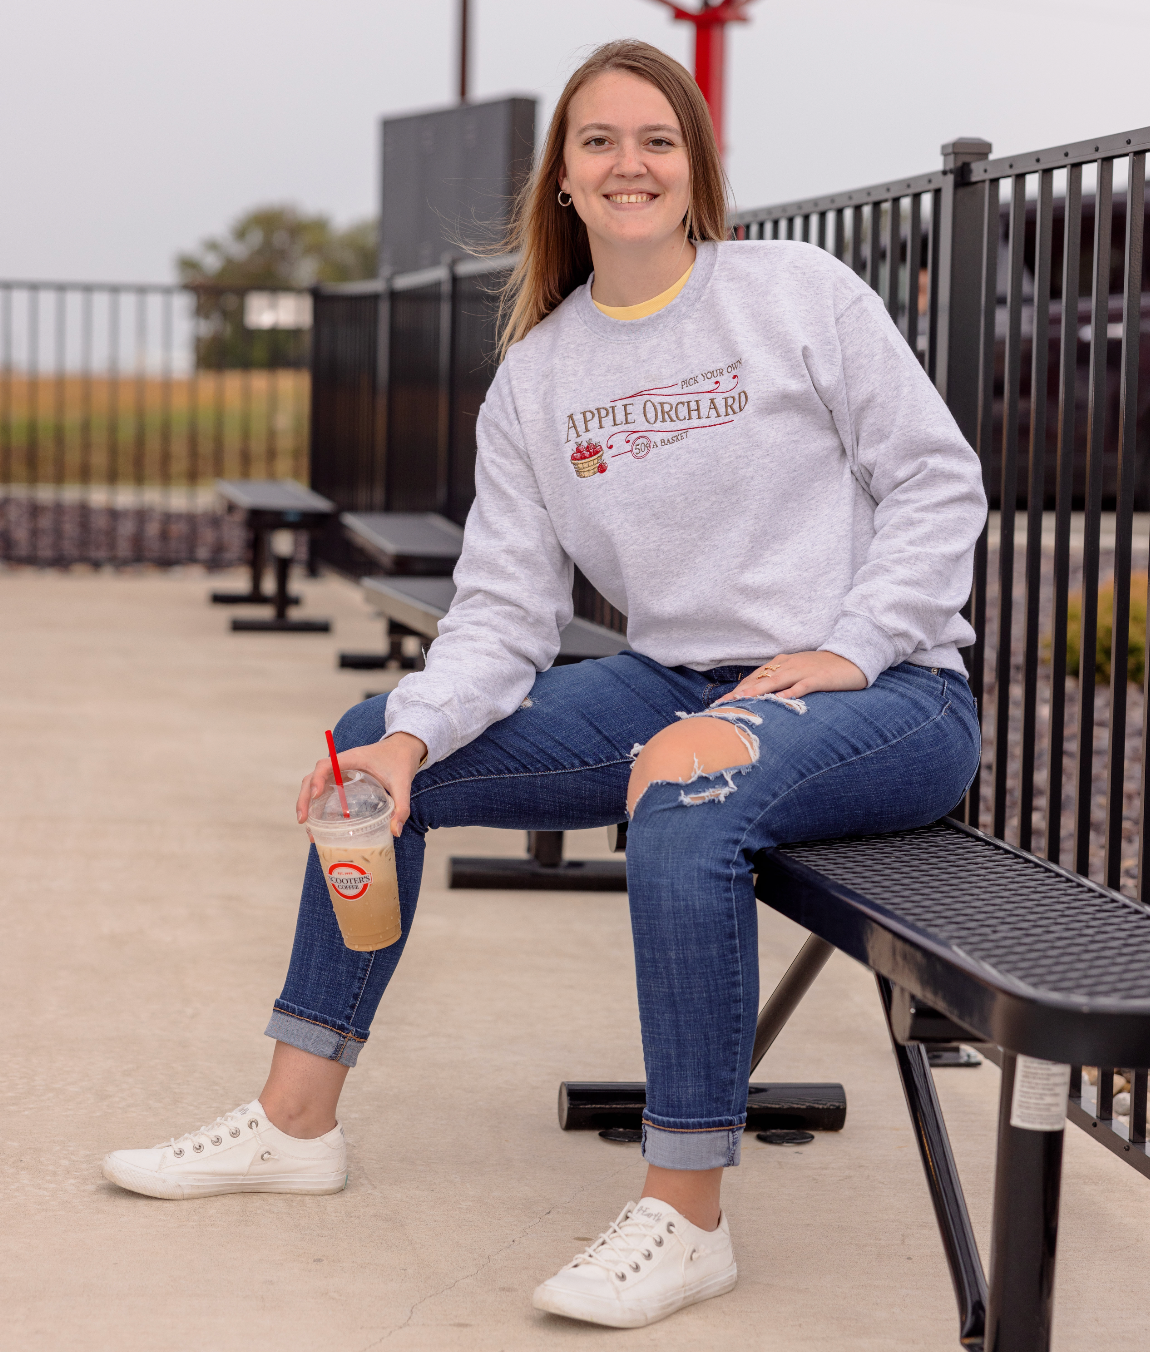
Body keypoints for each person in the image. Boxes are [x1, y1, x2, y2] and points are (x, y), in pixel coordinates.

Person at [103, 39, 985, 1331]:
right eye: (599, 142)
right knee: (367, 749)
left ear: (694, 169)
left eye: (657, 140)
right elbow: (506, 611)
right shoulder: (540, 377)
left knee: (688, 794)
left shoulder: (797, 292)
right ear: (562, 182)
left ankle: (686, 1213)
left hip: (885, 695)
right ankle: (298, 1121)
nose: (629, 163)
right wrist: (410, 737)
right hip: (675, 681)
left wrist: (851, 646)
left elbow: (934, 480)